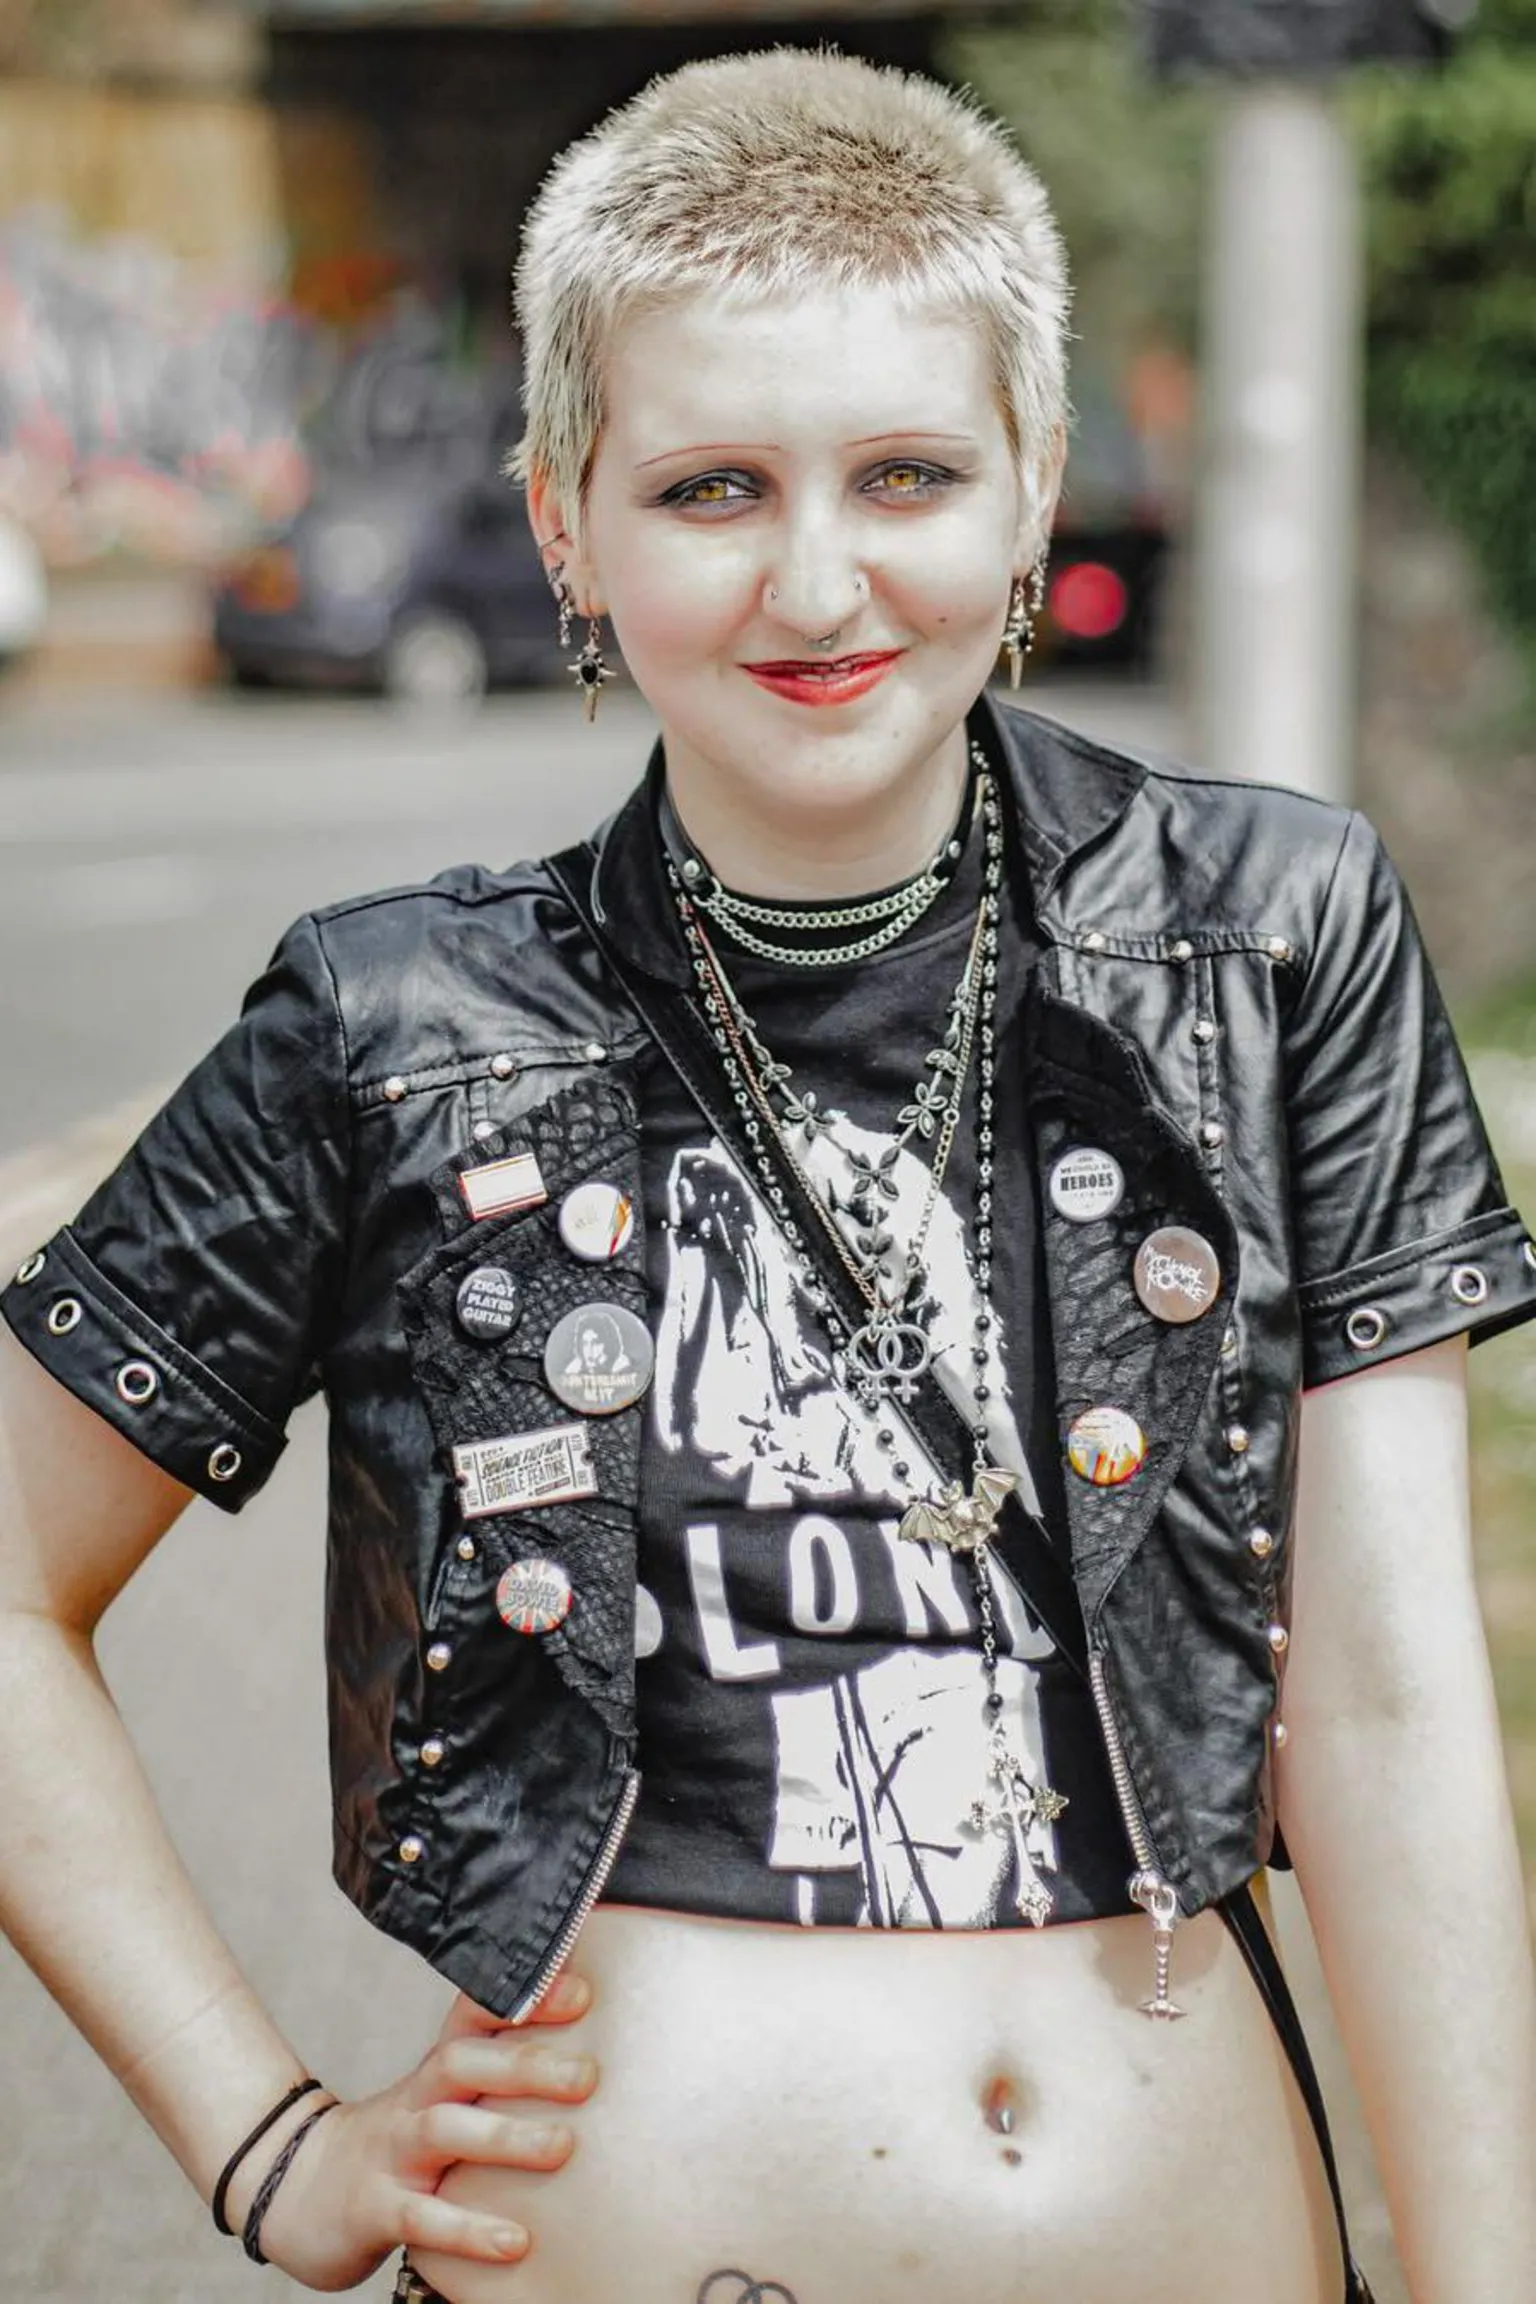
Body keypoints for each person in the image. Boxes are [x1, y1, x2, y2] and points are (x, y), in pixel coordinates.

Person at [2, 41, 1534, 2304]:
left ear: (1032, 492)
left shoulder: (1271, 935)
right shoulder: (395, 1028)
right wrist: (266, 2139)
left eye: (906, 472)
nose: (819, 581)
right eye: (713, 488)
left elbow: (1393, 1714)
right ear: (564, 525)